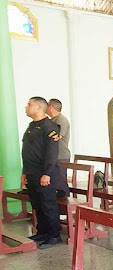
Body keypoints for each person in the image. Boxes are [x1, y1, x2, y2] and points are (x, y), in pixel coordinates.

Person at [22, 96, 62, 249]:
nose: (26, 107)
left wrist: (47, 173)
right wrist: (24, 172)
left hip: (44, 173)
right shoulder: (32, 126)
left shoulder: (50, 127)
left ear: (39, 108)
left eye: (29, 104)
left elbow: (52, 153)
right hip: (32, 173)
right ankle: (43, 231)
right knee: (37, 204)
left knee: (48, 204)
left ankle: (54, 235)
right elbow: (27, 151)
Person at [46, 98, 71, 197]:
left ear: (51, 107)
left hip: (61, 155)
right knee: (54, 182)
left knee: (60, 182)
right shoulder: (51, 120)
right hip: (53, 155)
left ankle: (65, 207)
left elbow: (56, 137)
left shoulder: (61, 120)